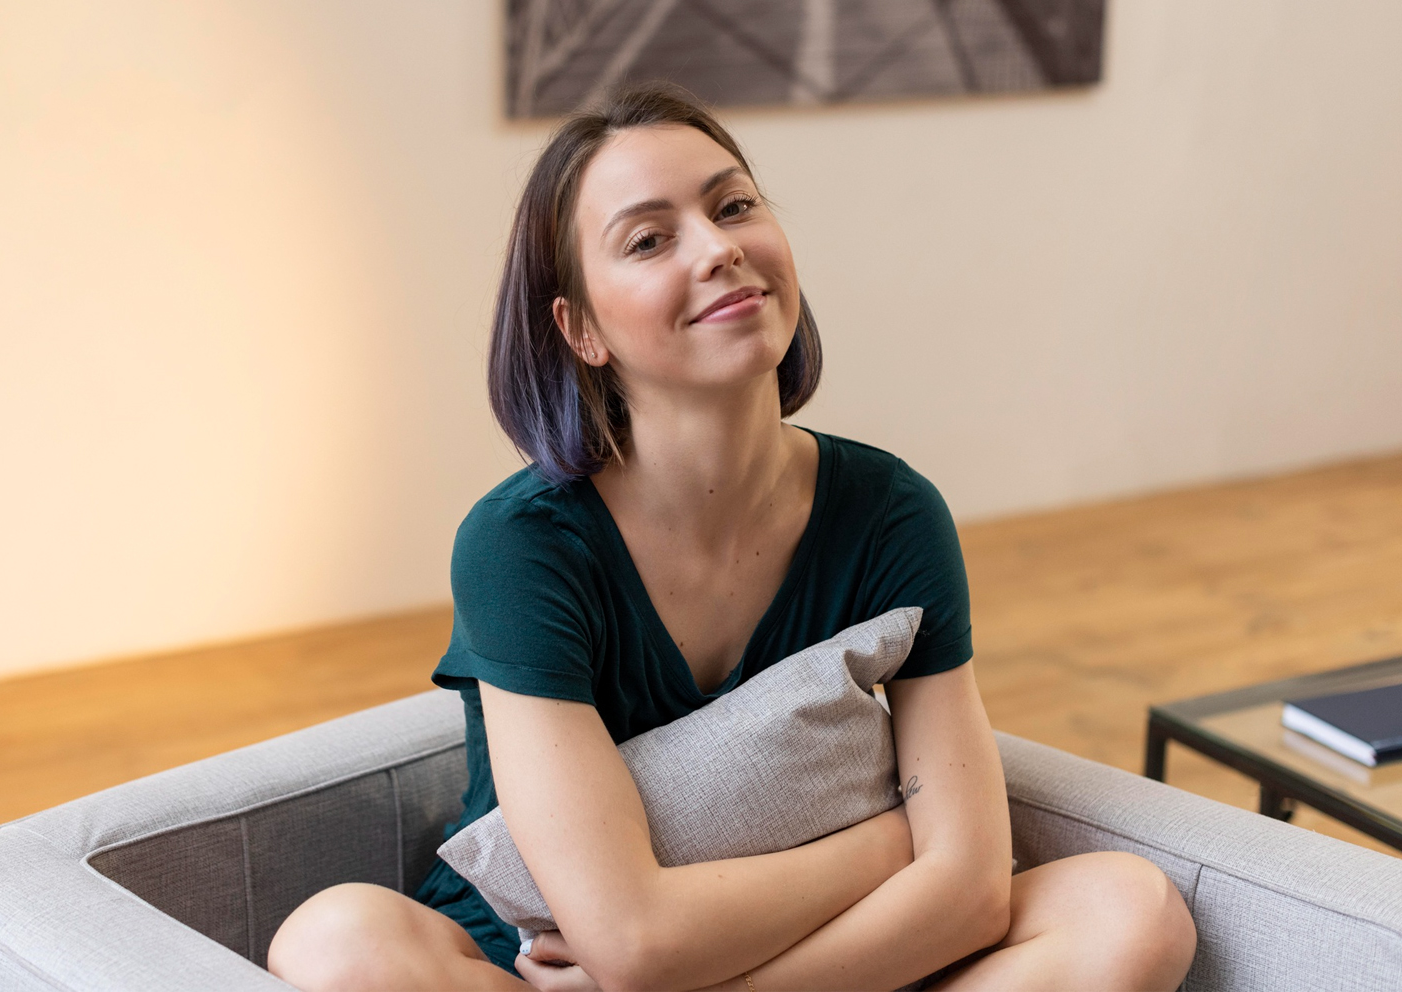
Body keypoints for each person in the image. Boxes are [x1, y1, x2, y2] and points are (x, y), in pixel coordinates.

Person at [266, 82, 1197, 992]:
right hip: (545, 963)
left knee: (1133, 911)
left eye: (735, 206)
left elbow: (971, 891)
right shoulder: (522, 546)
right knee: (336, 945)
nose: (720, 248)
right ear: (581, 329)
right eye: (648, 239)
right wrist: (889, 844)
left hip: (837, 950)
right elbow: (631, 941)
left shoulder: (892, 512)